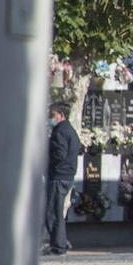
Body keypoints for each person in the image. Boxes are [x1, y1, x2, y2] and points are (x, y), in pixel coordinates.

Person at [44, 102, 82, 256]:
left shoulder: (60, 131)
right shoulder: (70, 130)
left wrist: (47, 162)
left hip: (59, 176)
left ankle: (58, 245)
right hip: (67, 176)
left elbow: (59, 154)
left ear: (61, 115)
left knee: (52, 213)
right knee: (57, 212)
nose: (50, 118)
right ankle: (60, 242)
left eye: (52, 115)